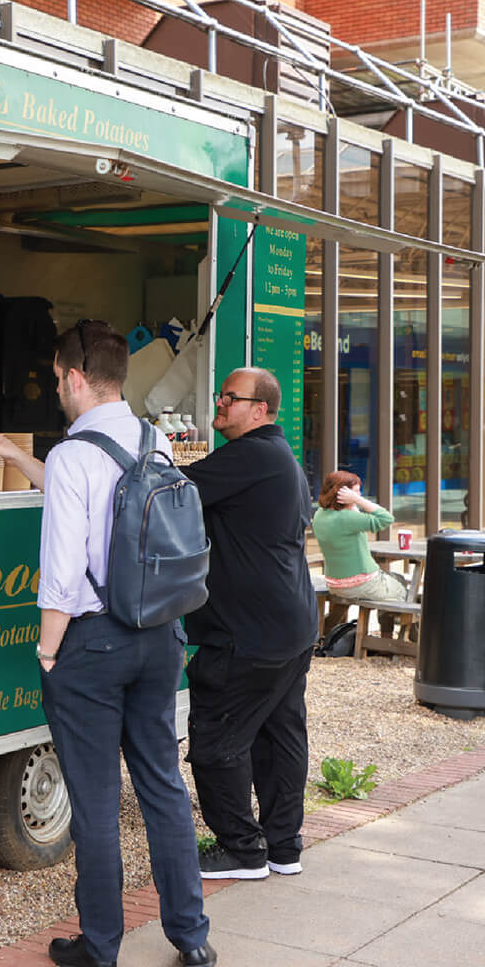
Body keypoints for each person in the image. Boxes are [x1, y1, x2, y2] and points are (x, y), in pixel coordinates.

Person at [0, 319, 213, 967]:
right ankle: (192, 938)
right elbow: (98, 495)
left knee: (95, 799)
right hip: (158, 635)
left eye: (57, 378)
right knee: (163, 787)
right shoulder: (153, 439)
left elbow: (60, 574)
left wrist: (47, 652)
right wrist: (17, 457)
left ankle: (102, 947)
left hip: (92, 643)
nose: (56, 388)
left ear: (76, 377)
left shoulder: (71, 456)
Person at [180, 369, 318, 881]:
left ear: (259, 409)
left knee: (216, 740)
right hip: (290, 626)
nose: (220, 403)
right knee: (279, 737)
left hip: (250, 635)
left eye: (230, 397)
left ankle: (240, 849)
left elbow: (170, 490)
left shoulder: (250, 455)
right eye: (220, 394)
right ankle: (283, 847)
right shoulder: (279, 456)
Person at [311, 469, 410, 604]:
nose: (359, 494)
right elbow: (386, 518)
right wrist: (358, 500)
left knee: (395, 578)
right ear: (342, 494)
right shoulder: (347, 518)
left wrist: (352, 504)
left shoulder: (319, 514)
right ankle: (395, 617)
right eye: (355, 492)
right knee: (405, 591)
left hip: (335, 584)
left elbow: (351, 521)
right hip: (362, 584)